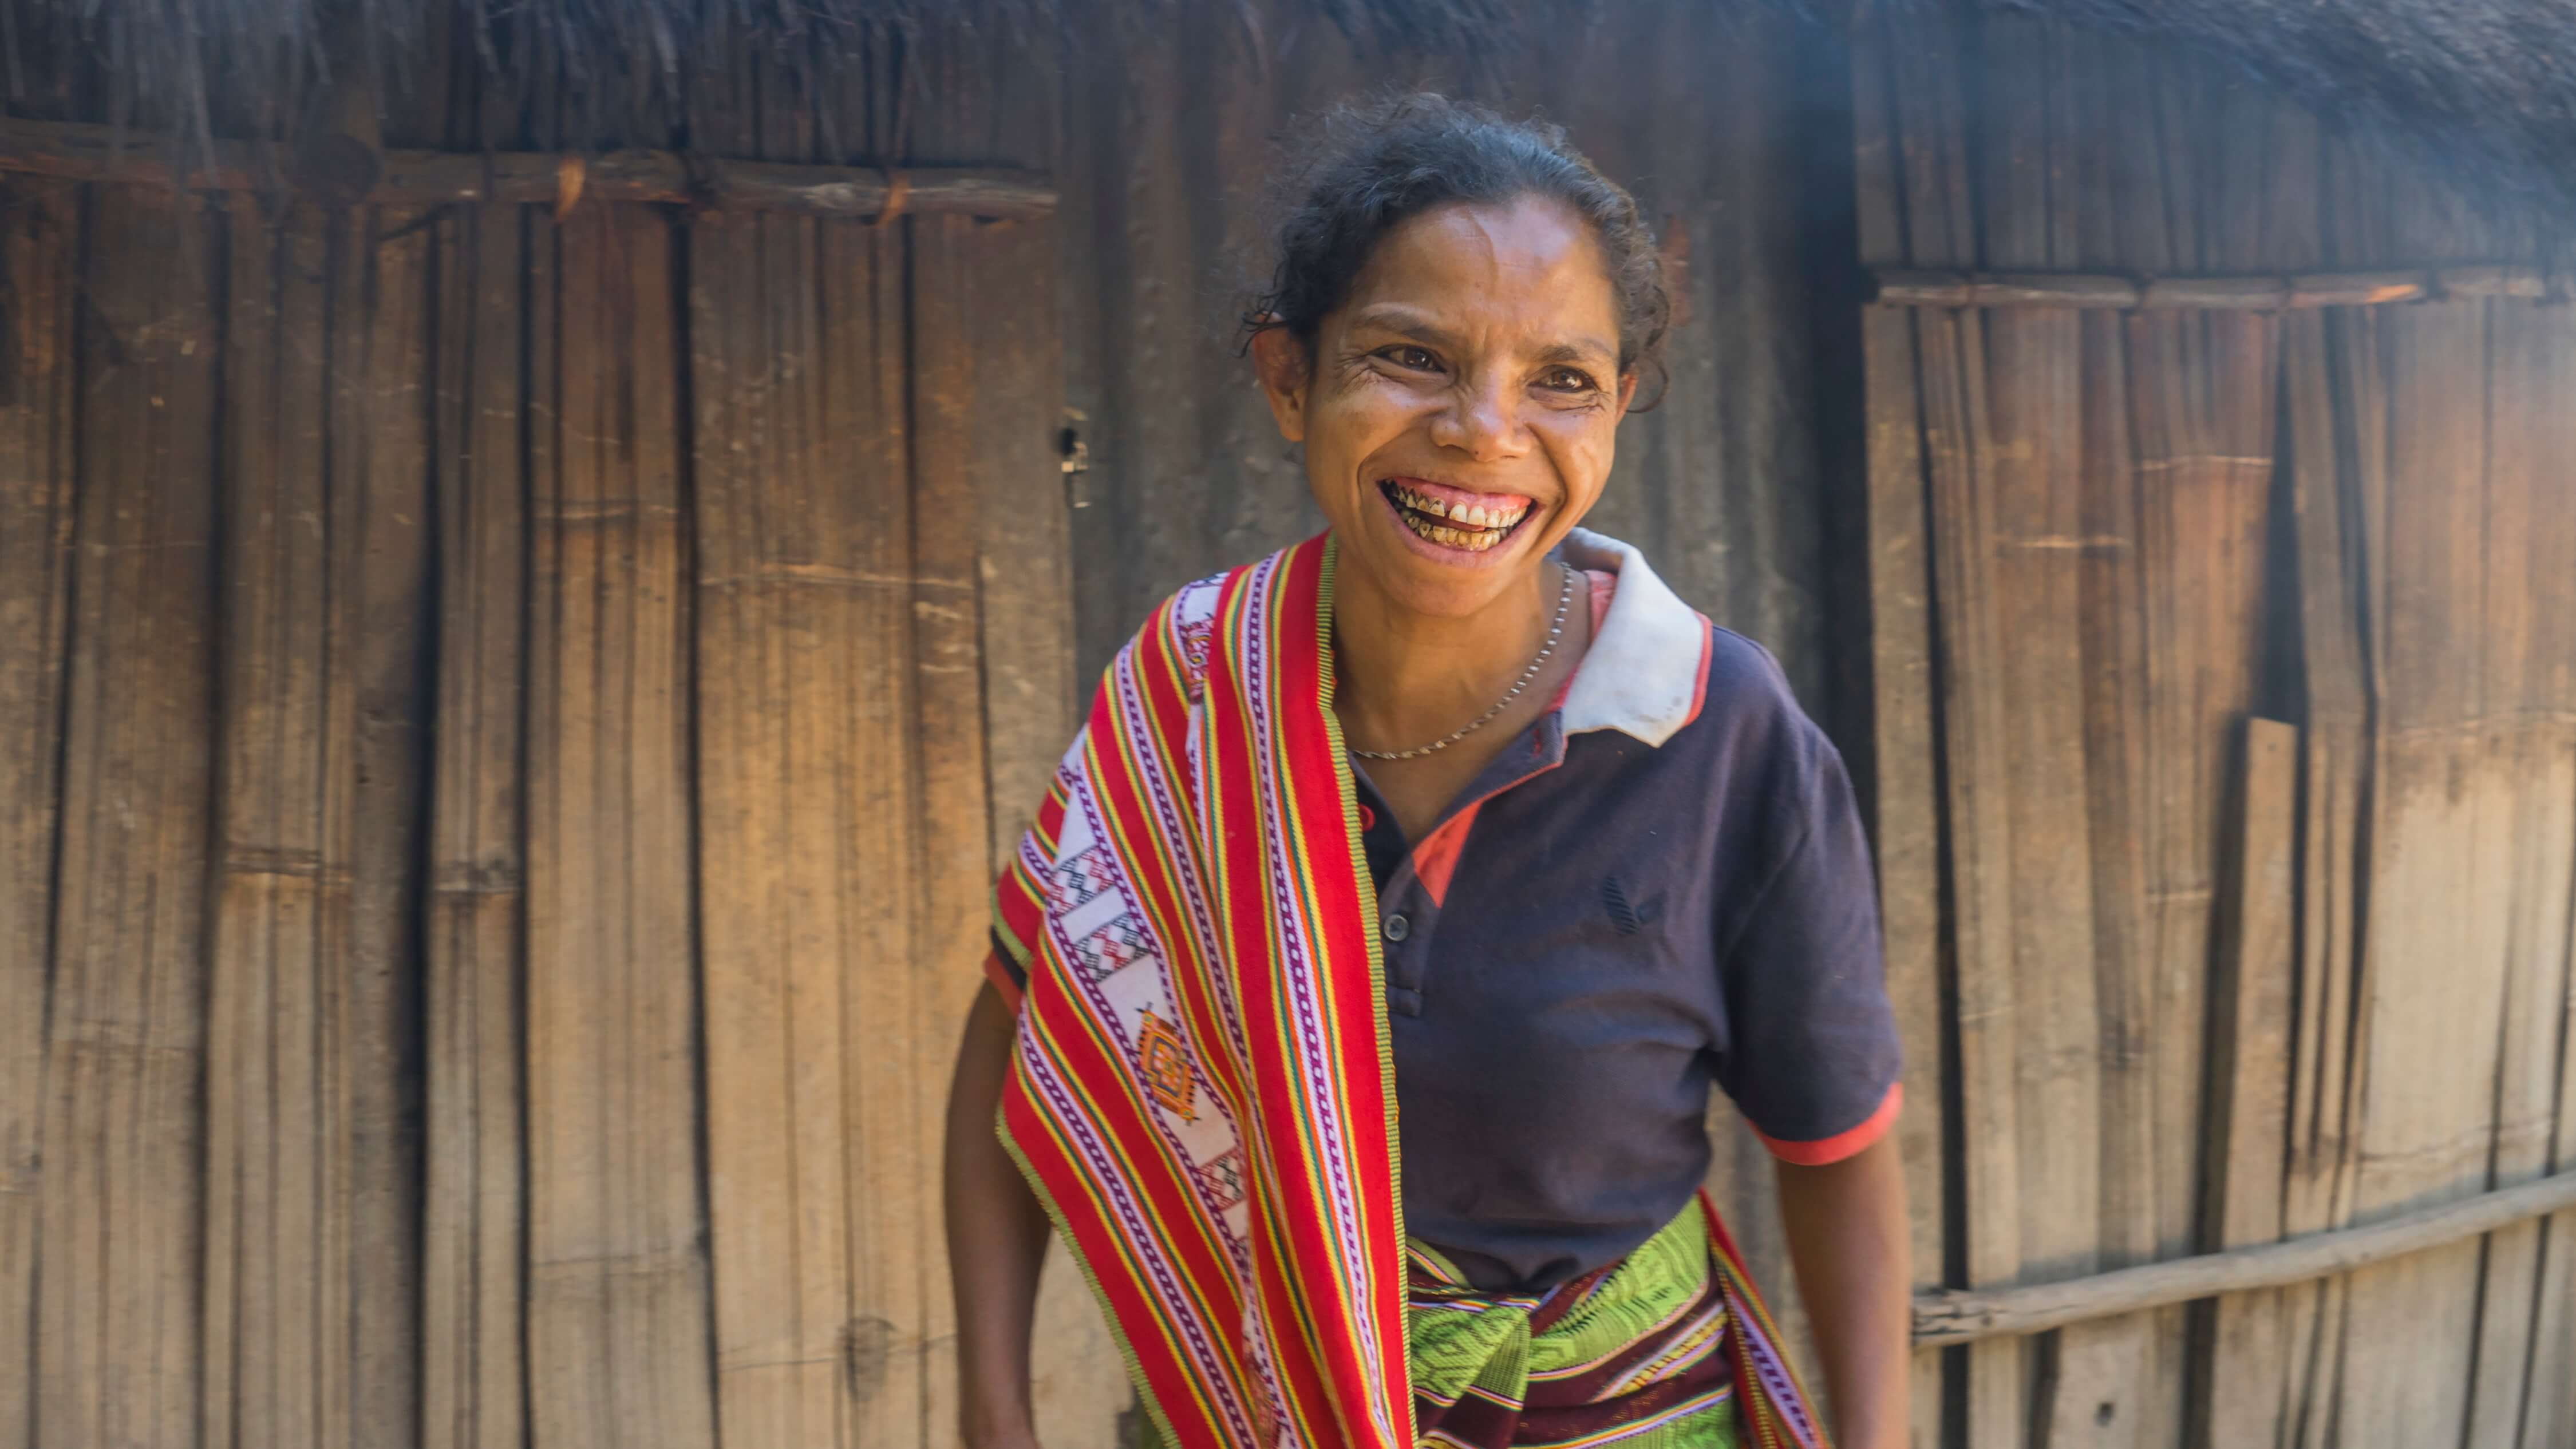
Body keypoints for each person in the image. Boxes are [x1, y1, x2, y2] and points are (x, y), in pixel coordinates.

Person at [944, 94, 1909, 1449]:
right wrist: (993, 1411)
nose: (1483, 429)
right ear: (1291, 378)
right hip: (1256, 1410)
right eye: (1412, 356)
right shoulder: (1194, 697)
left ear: (1620, 406)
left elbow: (1836, 1143)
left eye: (1561, 380)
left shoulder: (1716, 729)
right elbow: (1019, 1041)